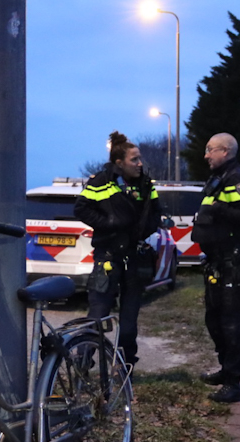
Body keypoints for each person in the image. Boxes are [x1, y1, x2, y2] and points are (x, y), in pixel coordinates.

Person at [74, 131, 161, 367]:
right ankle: (82, 363)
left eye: (140, 158)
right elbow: (81, 209)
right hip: (108, 257)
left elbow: (155, 214)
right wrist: (109, 224)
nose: (140, 163)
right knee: (97, 314)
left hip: (134, 258)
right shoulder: (101, 181)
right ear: (119, 163)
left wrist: (142, 232)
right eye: (134, 159)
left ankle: (125, 368)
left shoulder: (145, 184)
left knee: (129, 322)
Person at [192, 133, 240, 403]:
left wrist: (219, 209)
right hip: (217, 261)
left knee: (231, 323)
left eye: (210, 150)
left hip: (233, 261)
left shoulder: (239, 178)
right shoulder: (219, 178)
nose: (206, 155)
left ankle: (233, 383)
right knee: (214, 319)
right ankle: (225, 368)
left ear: (226, 151)